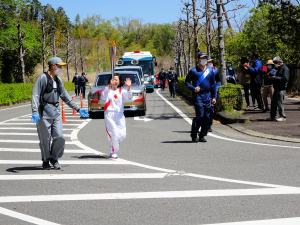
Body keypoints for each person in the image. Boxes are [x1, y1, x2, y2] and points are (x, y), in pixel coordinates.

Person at [31, 57, 89, 170]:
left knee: (60, 137)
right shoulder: (42, 78)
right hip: (44, 113)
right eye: (60, 66)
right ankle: (46, 160)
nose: (61, 68)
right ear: (53, 66)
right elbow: (35, 95)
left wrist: (78, 109)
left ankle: (54, 157)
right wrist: (34, 111)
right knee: (45, 139)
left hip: (56, 113)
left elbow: (66, 97)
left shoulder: (58, 80)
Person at [185, 52, 216, 142]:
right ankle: (194, 134)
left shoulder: (210, 71)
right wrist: (193, 88)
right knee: (200, 115)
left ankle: (202, 135)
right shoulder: (193, 71)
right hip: (198, 96)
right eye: (202, 58)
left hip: (207, 96)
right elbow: (186, 82)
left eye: (205, 58)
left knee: (207, 116)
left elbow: (213, 85)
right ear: (198, 60)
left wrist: (214, 96)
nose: (204, 60)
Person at [101, 73, 132, 158]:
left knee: (122, 134)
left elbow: (128, 96)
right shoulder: (108, 90)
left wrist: (129, 87)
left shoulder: (121, 91)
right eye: (113, 79)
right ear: (110, 81)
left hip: (120, 114)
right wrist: (109, 86)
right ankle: (113, 152)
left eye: (116, 80)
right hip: (109, 113)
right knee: (114, 133)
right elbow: (103, 97)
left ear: (119, 82)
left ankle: (113, 145)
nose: (115, 81)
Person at [266, 56, 289, 121]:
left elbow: (285, 79)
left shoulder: (285, 69)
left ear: (279, 61)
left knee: (280, 103)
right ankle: (273, 116)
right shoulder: (278, 68)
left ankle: (283, 116)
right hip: (276, 88)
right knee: (273, 103)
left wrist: (275, 77)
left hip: (281, 88)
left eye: (275, 62)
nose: (275, 64)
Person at [206, 57, 221, 132]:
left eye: (211, 62)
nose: (210, 63)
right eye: (209, 62)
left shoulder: (215, 71)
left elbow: (218, 81)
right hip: (204, 93)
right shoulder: (202, 71)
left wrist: (217, 87)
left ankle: (209, 125)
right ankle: (204, 124)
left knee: (211, 110)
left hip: (212, 93)